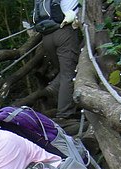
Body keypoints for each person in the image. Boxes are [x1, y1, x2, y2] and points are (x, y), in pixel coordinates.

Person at [33, 0, 82, 131]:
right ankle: (64, 116)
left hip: (47, 37)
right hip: (64, 32)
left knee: (64, 72)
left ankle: (61, 104)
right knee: (68, 74)